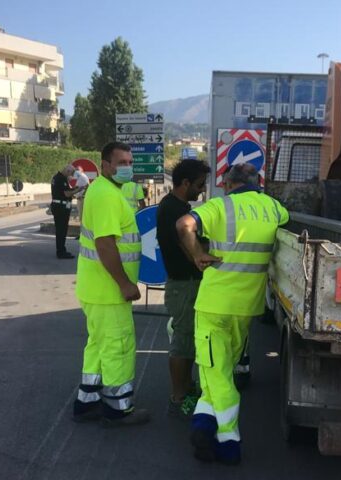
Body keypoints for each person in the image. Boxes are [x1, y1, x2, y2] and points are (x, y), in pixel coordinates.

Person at [176, 163, 289, 465]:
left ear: (227, 184)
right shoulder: (274, 208)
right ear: (258, 182)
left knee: (218, 375)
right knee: (219, 371)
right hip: (246, 308)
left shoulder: (219, 206)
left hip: (213, 305)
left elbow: (184, 224)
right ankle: (202, 424)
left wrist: (198, 253)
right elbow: (287, 225)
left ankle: (228, 441)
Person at [73, 141, 150, 427]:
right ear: (105, 165)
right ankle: (118, 408)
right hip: (109, 291)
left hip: (95, 289)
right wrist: (125, 283)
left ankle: (88, 400)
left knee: (98, 344)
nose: (127, 167)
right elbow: (105, 244)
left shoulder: (106, 191)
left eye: (130, 162)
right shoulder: (106, 194)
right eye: (121, 163)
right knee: (118, 345)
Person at [156, 159, 210, 419]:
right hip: (183, 284)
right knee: (183, 340)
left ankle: (186, 389)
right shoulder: (173, 210)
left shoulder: (177, 206)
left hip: (186, 283)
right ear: (185, 182)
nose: (202, 189)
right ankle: (178, 398)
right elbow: (188, 250)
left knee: (188, 340)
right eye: (199, 184)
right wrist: (205, 255)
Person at [51, 164, 83, 259]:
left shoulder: (58, 177)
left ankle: (62, 250)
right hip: (61, 208)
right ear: (67, 171)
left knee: (62, 230)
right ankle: (61, 252)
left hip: (60, 206)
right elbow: (66, 193)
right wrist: (78, 190)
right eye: (71, 173)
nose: (72, 175)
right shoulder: (60, 179)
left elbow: (65, 191)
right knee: (61, 230)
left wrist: (74, 190)